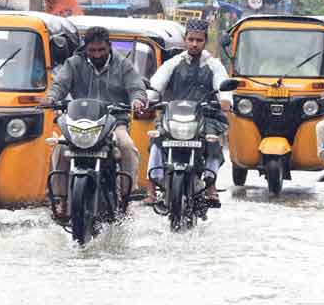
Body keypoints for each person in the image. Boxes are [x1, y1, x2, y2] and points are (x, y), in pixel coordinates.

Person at [42, 26, 146, 221]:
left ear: (109, 47)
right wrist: (51, 98)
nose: (97, 54)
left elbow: (136, 87)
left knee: (127, 146)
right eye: (92, 50)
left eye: (101, 50)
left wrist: (137, 99)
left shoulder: (123, 64)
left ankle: (125, 198)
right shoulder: (73, 63)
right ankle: (60, 199)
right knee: (60, 148)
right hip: (78, 123)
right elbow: (59, 85)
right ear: (85, 48)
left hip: (114, 123)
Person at [145, 19, 230, 205]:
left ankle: (210, 185)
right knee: (156, 139)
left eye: (199, 40)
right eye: (191, 39)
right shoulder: (174, 63)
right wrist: (149, 97)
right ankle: (151, 188)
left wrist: (225, 100)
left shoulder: (213, 64)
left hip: (206, 116)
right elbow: (157, 83)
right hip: (175, 116)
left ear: (205, 41)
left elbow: (223, 85)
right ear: (185, 39)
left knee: (213, 142)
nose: (194, 43)